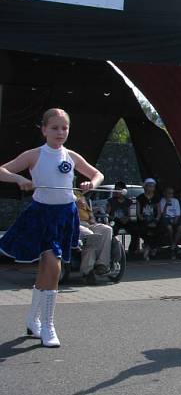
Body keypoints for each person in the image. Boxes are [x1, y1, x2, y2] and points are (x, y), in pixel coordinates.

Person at [0, 108, 104, 347]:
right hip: (41, 215)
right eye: (55, 128)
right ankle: (48, 326)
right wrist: (20, 179)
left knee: (45, 271)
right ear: (44, 129)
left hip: (65, 215)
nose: (60, 132)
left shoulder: (71, 156)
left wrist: (91, 183)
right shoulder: (34, 155)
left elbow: (97, 173)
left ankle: (32, 320)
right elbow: (2, 170)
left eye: (64, 128)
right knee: (53, 266)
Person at [75, 190, 113, 283]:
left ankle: (102, 265)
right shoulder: (62, 194)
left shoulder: (79, 194)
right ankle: (87, 272)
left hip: (87, 223)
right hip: (73, 223)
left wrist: (92, 219)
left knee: (107, 229)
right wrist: (75, 204)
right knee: (90, 236)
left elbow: (89, 212)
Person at [136, 178, 162, 260]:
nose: (151, 188)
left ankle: (150, 247)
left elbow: (159, 211)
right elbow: (138, 212)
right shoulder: (140, 198)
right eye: (149, 186)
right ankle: (148, 248)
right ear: (145, 187)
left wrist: (156, 219)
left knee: (160, 229)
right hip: (143, 220)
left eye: (153, 186)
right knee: (145, 230)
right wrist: (142, 218)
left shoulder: (157, 198)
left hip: (154, 219)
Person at [159, 186, 181, 259]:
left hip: (174, 217)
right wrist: (166, 205)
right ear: (165, 194)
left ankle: (173, 245)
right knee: (169, 228)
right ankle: (173, 245)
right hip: (166, 218)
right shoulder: (162, 200)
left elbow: (178, 213)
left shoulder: (175, 200)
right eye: (168, 193)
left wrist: (175, 220)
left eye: (172, 193)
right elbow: (162, 214)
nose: (170, 195)